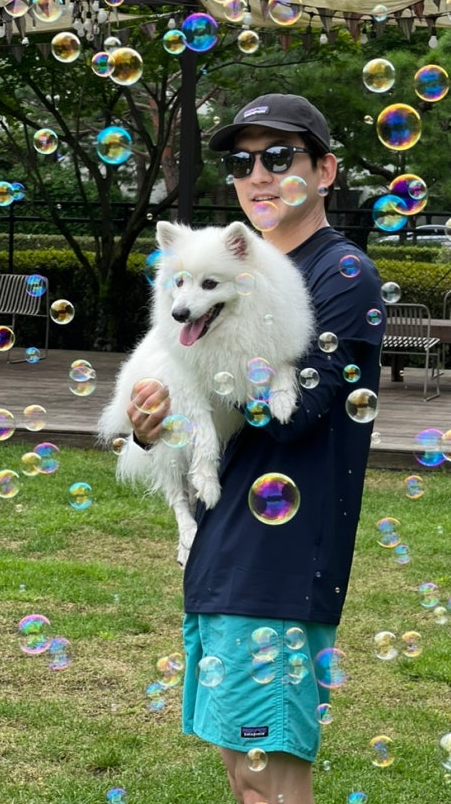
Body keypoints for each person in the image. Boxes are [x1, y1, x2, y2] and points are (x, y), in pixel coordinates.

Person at [127, 94, 384, 804]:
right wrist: (153, 423)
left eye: (278, 156)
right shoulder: (224, 277)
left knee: (270, 779)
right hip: (226, 543)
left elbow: (295, 413)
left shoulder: (339, 275)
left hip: (281, 557)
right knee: (242, 771)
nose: (258, 174)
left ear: (324, 170)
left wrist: (206, 365)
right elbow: (194, 393)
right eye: (242, 162)